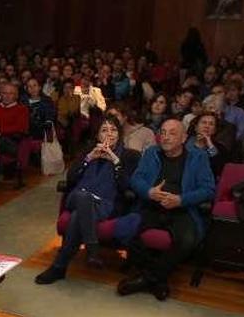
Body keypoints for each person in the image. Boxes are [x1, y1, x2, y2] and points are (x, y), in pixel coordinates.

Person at [118, 119, 216, 300]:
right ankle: (158, 280)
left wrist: (181, 200)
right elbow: (136, 179)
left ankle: (146, 279)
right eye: (162, 132)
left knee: (188, 240)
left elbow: (208, 189)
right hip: (151, 205)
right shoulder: (151, 153)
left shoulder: (198, 157)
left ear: (184, 137)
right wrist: (149, 192)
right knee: (128, 231)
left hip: (181, 208)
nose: (166, 137)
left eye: (172, 133)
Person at [35, 116, 140, 284]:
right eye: (104, 130)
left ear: (119, 134)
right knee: (83, 196)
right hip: (76, 197)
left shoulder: (129, 156)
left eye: (113, 130)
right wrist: (89, 158)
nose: (109, 134)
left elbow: (126, 187)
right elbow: (70, 179)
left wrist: (115, 161)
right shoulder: (88, 150)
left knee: (78, 216)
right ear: (98, 135)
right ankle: (92, 248)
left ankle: (59, 267)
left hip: (104, 205)